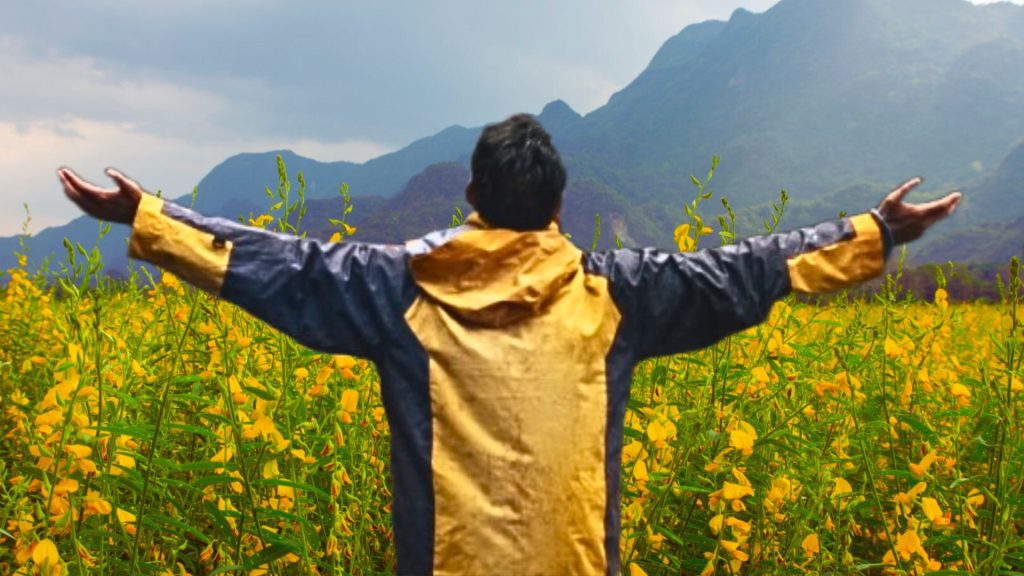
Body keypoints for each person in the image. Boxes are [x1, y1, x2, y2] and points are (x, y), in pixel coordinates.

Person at [59, 113, 961, 575]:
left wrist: (148, 218)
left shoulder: (395, 292)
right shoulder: (620, 298)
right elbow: (745, 270)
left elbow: (282, 266)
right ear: (560, 205)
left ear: (472, 201)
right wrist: (876, 232)